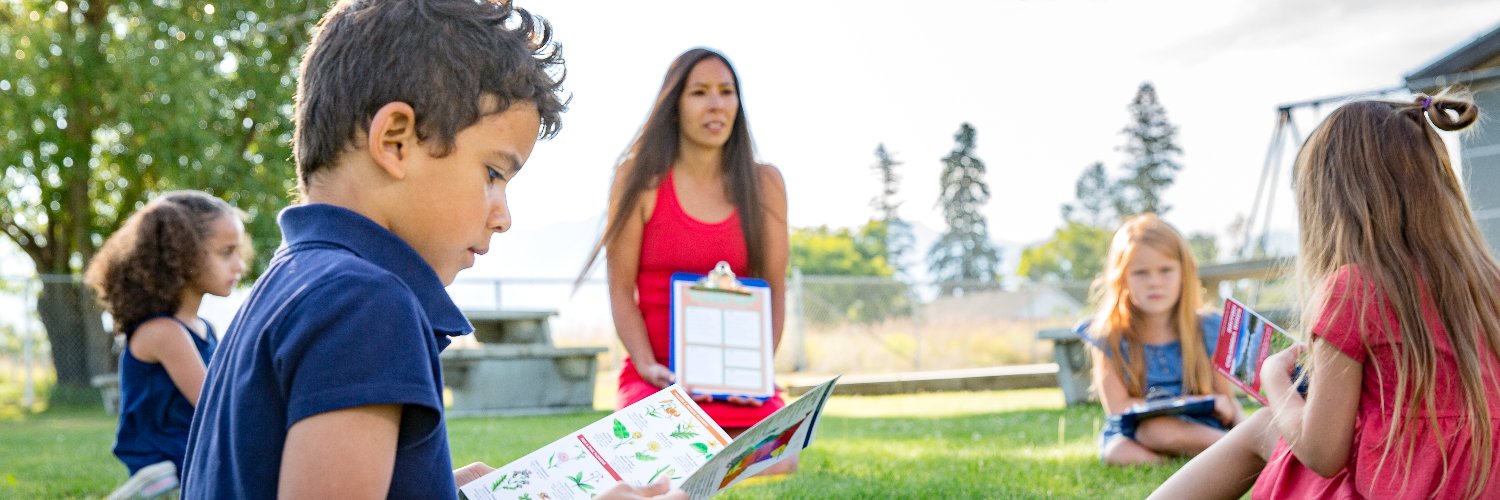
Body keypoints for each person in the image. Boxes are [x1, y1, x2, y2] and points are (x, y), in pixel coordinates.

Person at [178, 1, 680, 498]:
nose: (503, 216)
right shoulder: (363, 305)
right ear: (395, 142)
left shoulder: (296, 285)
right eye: (494, 174)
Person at [1149, 93, 1500, 499]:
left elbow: (1322, 453)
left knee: (1264, 425)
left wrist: (1274, 379)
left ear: (1329, 202)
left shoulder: (1355, 288)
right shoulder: (1488, 283)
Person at [577, 48, 795, 472]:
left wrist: (757, 373)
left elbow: (775, 288)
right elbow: (620, 290)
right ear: (674, 106)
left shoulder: (765, 184)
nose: (716, 104)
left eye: (726, 92)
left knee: (776, 462)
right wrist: (644, 364)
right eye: (699, 92)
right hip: (658, 378)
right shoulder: (637, 179)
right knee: (663, 458)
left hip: (738, 384)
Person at [82, 191, 247, 499]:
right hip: (168, 457)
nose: (239, 265)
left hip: (193, 449)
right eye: (227, 253)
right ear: (182, 255)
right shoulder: (163, 332)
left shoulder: (203, 327)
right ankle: (154, 488)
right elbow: (214, 403)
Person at [1078, 213, 1244, 466]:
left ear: (1184, 273)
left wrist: (1237, 418)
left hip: (1202, 425)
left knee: (1160, 432)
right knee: (1122, 449)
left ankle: (1236, 448)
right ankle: (1206, 458)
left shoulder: (1208, 328)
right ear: (1122, 279)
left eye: (1165, 270)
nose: (1154, 282)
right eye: (1141, 273)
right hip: (1133, 431)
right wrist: (1197, 401)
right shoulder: (1109, 336)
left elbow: (1226, 401)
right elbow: (1118, 408)